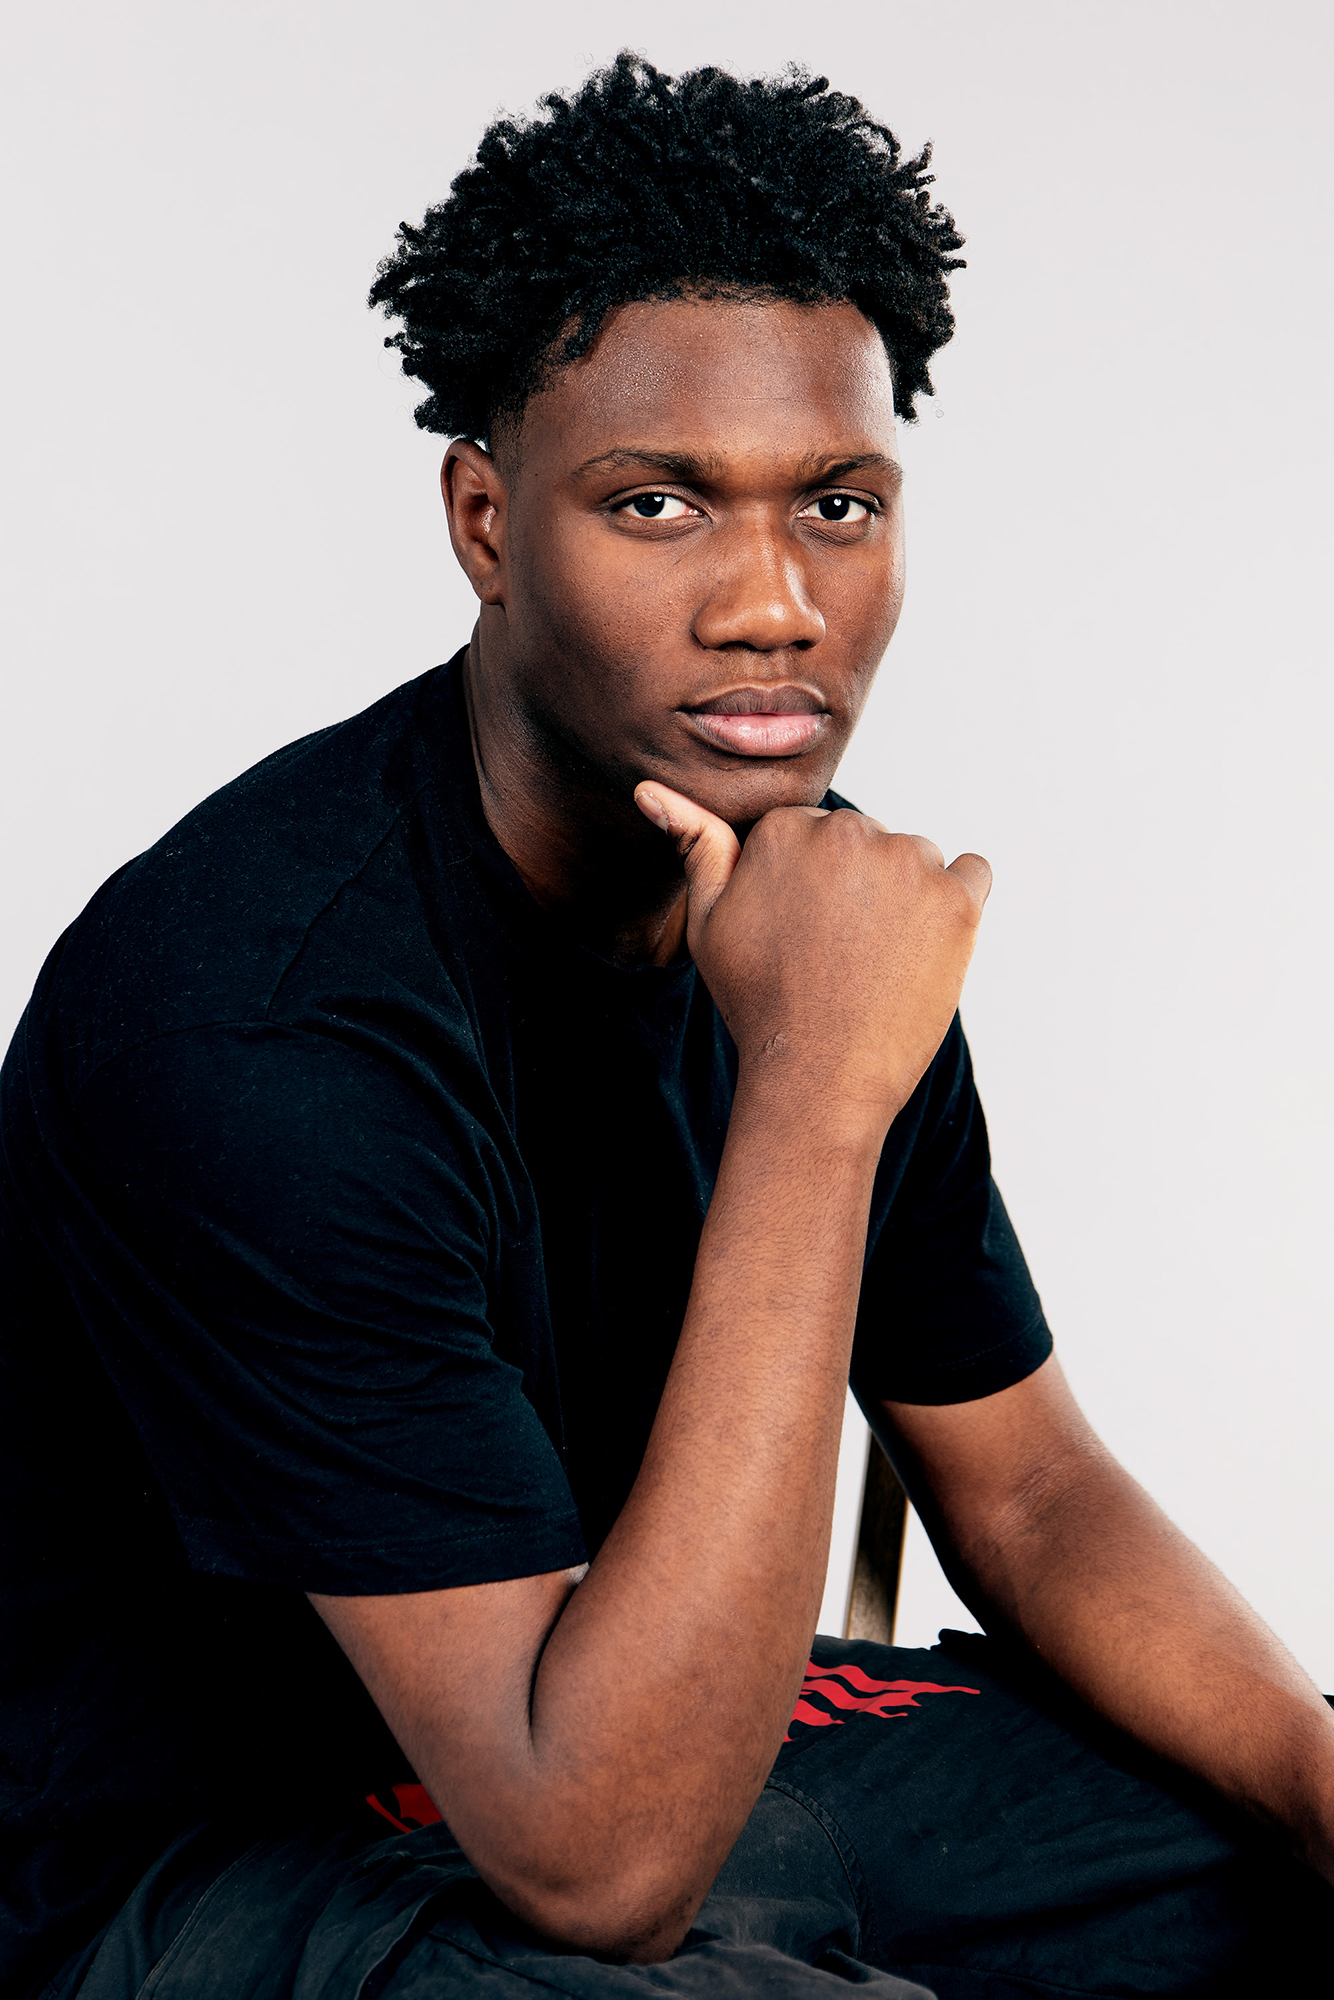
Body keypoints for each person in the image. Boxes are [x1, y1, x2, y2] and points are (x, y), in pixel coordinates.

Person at [3, 53, 1331, 2000]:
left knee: (1271, 1840)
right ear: (485, 519)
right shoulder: (255, 1022)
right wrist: (811, 1089)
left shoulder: (813, 908)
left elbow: (1026, 1483)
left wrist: (1319, 1778)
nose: (774, 603)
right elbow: (601, 1865)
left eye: (838, 504)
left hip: (660, 1728)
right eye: (658, 504)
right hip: (215, 1860)